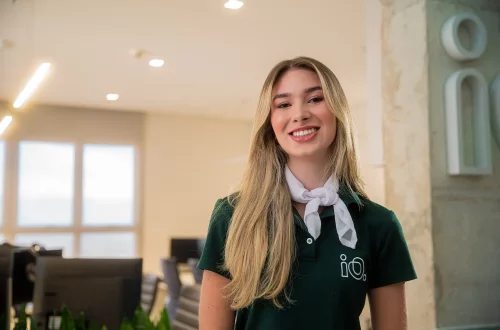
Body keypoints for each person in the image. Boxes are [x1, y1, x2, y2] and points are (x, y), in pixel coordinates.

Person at [197, 56, 417, 330]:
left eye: (315, 99)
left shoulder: (379, 224)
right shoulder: (232, 214)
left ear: (338, 111)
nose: (299, 114)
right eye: (284, 104)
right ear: (270, 122)